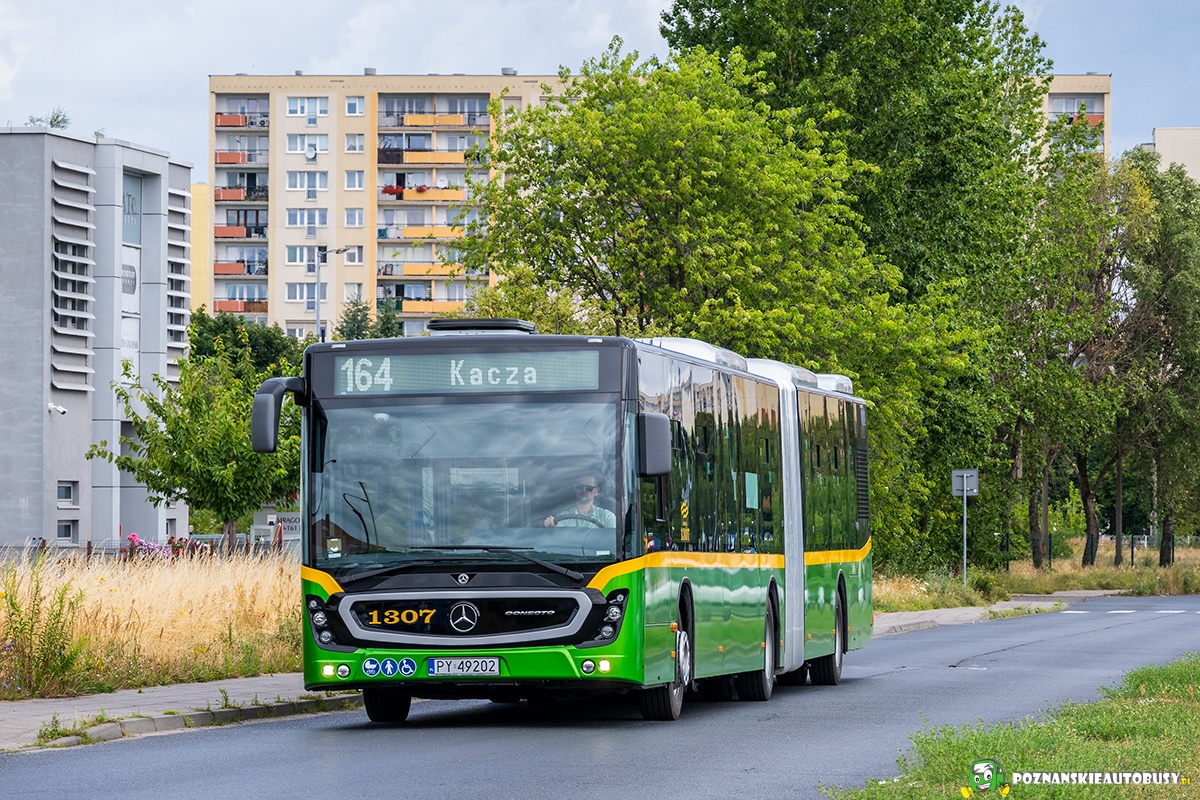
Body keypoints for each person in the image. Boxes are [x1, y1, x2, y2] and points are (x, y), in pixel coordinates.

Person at [543, 472, 617, 528]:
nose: (584, 490)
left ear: (596, 491)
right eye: (580, 486)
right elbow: (558, 540)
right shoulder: (562, 517)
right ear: (575, 488)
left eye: (589, 487)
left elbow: (612, 542)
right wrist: (550, 524)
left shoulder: (607, 517)